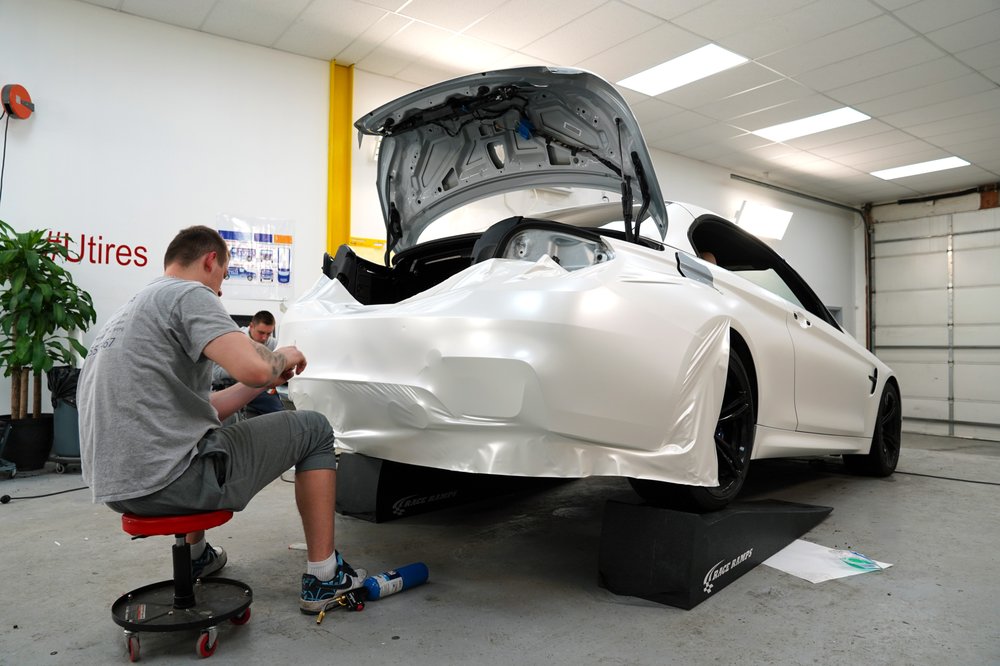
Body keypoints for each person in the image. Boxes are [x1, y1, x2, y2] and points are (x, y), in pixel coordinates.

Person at [78, 225, 365, 615]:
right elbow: (256, 366)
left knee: (211, 429)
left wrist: (260, 383)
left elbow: (201, 410)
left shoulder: (132, 309)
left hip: (119, 488)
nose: (221, 290)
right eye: (224, 276)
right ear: (210, 260)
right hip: (170, 481)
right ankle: (325, 576)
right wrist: (282, 357)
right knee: (314, 428)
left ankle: (197, 557)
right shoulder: (189, 294)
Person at [212, 310, 285, 415]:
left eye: (268, 333)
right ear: (251, 326)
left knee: (277, 412)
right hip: (229, 384)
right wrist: (243, 369)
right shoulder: (233, 339)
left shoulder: (274, 345)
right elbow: (215, 373)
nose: (264, 338)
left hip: (258, 386)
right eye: (261, 332)